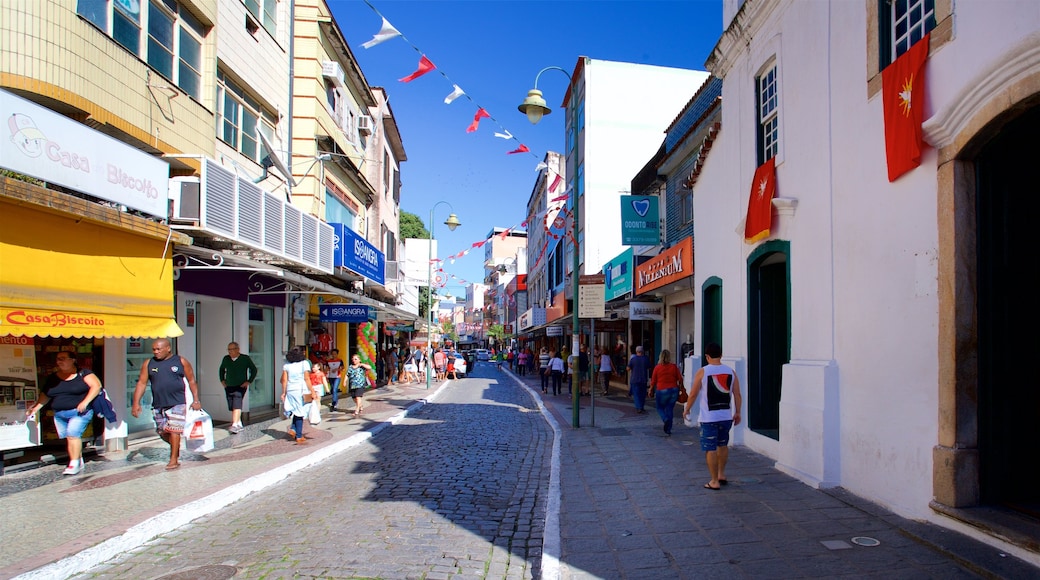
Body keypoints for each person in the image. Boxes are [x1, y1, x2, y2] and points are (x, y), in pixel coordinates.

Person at [27, 352, 102, 475]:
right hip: (60, 413)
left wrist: (85, 402)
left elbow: (96, 386)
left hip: (79, 412)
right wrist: (36, 408)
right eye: (57, 359)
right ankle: (78, 459)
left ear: (72, 360)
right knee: (70, 437)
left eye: (62, 359)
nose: (59, 362)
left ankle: (73, 464)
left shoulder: (83, 374)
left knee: (73, 435)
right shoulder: (53, 378)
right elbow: (46, 395)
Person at [131, 338, 202, 470]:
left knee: (174, 430)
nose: (155, 352)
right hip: (158, 403)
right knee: (163, 431)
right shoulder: (149, 363)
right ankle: (176, 446)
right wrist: (136, 403)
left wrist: (196, 400)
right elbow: (141, 383)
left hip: (177, 403)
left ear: (168, 348)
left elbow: (192, 380)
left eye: (158, 349)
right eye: (154, 349)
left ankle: (173, 459)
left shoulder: (180, 361)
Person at [684, 342, 743, 490]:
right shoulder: (731, 372)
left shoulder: (703, 371)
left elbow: (693, 394)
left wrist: (687, 409)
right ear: (721, 355)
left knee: (710, 448)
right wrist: (737, 412)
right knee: (722, 445)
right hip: (725, 416)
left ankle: (714, 481)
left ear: (707, 356)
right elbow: (737, 394)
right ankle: (721, 474)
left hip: (709, 418)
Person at [218, 341, 257, 434]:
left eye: (232, 349)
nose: (230, 352)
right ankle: (238, 422)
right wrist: (222, 380)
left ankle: (234, 424)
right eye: (229, 349)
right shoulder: (226, 359)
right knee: (232, 405)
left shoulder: (245, 359)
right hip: (229, 385)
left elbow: (254, 369)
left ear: (237, 349)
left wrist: (249, 381)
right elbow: (221, 369)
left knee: (237, 402)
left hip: (240, 386)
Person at [281, 347, 316, 444]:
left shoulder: (287, 365)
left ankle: (293, 429)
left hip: (290, 390)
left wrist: (284, 393)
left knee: (296, 410)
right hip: (301, 390)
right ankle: (299, 436)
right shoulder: (304, 364)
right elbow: (307, 379)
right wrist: (312, 390)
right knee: (300, 412)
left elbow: (284, 380)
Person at [648, 349, 683, 436]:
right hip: (674, 390)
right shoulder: (674, 367)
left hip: (662, 390)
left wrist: (650, 389)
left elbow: (653, 381)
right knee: (670, 409)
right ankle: (668, 429)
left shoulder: (657, 367)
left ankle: (665, 419)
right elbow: (680, 379)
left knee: (659, 407)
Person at [345, 353, 372, 417]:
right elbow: (347, 374)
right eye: (353, 359)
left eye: (356, 359)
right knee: (354, 398)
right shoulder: (351, 367)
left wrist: (362, 364)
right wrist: (344, 381)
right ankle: (360, 405)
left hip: (360, 384)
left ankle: (356, 410)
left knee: (358, 397)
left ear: (359, 360)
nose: (354, 360)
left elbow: (369, 367)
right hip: (353, 385)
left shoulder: (362, 366)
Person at [627, 345, 651, 414]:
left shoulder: (633, 359)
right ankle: (642, 407)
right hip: (643, 379)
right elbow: (649, 367)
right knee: (643, 394)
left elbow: (628, 368)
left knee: (636, 394)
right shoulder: (646, 359)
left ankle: (638, 407)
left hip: (634, 379)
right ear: (642, 351)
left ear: (636, 351)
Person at [326, 349, 343, 413]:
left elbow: (342, 368)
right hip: (330, 377)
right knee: (332, 389)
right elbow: (327, 368)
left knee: (335, 389)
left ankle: (334, 404)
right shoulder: (328, 361)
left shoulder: (340, 360)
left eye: (335, 354)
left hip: (337, 377)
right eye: (332, 354)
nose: (334, 355)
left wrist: (337, 369)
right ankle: (335, 400)